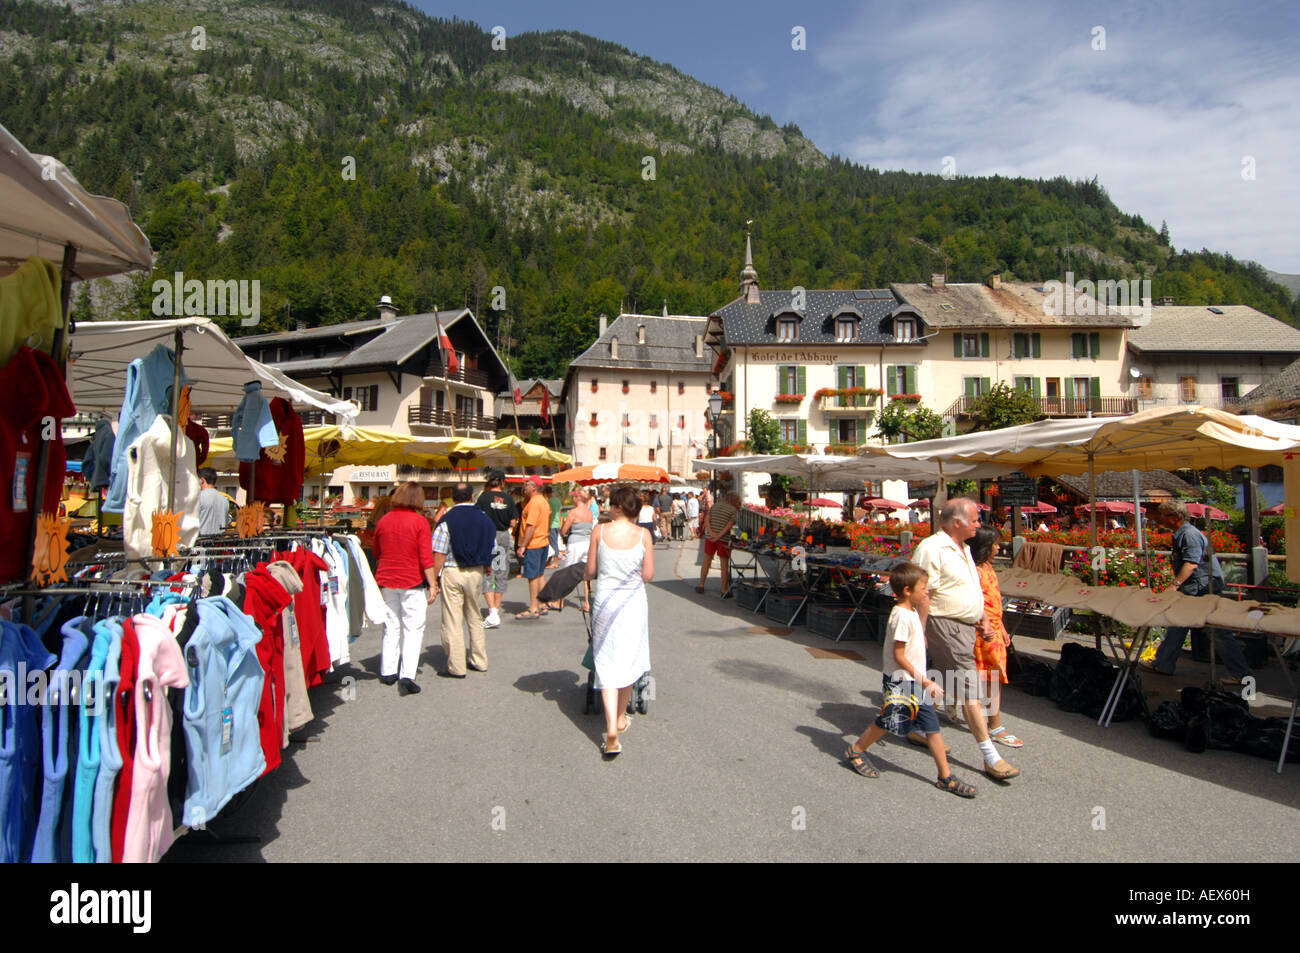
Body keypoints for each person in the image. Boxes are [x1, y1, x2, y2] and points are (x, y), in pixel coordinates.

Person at [841, 562, 976, 798]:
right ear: (907, 590)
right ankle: (856, 749)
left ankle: (945, 777)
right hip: (902, 682)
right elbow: (899, 655)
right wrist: (925, 681)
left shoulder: (910, 612)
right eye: (923, 587)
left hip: (913, 682)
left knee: (932, 726)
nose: (927, 591)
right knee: (888, 721)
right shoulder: (902, 616)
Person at [911, 498, 1020, 781]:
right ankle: (989, 755)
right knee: (970, 688)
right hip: (946, 624)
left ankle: (920, 727)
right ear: (957, 523)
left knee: (945, 678)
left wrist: (982, 619)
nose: (978, 524)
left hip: (966, 625)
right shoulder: (931, 548)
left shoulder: (964, 549)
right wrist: (920, 631)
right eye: (974, 520)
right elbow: (923, 592)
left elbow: (972, 588)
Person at [1143, 499, 1253, 684]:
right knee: (1178, 623)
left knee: (1216, 631)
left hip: (1202, 586)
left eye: (1164, 515)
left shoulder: (1189, 535)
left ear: (1176, 517)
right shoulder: (1182, 533)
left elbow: (1191, 563)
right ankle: (1163, 663)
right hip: (1197, 585)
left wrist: (1174, 584)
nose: (1160, 518)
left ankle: (1242, 673)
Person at [584, 485, 653, 758]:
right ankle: (621, 718)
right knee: (629, 658)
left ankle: (611, 727)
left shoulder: (599, 532)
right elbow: (648, 575)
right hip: (633, 603)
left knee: (607, 658)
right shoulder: (644, 535)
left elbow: (590, 572)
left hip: (605, 603)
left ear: (615, 507)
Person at [372, 482, 438, 695]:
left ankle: (387, 671)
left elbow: (376, 551)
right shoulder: (420, 522)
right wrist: (433, 584)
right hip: (412, 580)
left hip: (387, 579)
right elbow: (426, 558)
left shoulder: (383, 520)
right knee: (413, 628)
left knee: (391, 625)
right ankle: (407, 675)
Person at [431, 483, 496, 678]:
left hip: (453, 570)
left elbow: (439, 552)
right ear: (472, 496)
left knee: (452, 619)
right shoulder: (484, 519)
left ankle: (456, 666)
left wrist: (433, 579)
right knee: (474, 616)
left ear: (453, 496)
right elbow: (491, 546)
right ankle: (479, 659)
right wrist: (486, 565)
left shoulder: (446, 520)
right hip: (476, 571)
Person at [969, 527, 1024, 747]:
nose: (998, 548)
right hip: (981, 630)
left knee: (992, 676)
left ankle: (991, 721)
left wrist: (1001, 626)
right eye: (995, 545)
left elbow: (995, 602)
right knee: (988, 677)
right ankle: (995, 725)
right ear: (984, 547)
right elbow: (975, 603)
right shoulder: (974, 571)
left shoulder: (988, 568)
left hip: (993, 629)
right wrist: (988, 624)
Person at [475, 470, 518, 629]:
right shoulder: (508, 499)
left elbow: (476, 517)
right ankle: (496, 609)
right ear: (502, 482)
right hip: (502, 536)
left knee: (487, 572)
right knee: (501, 571)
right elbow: (513, 523)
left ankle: (491, 610)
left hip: (486, 536)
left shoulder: (483, 497)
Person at [545, 486, 595, 612]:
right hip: (587, 543)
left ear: (577, 498)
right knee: (586, 575)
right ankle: (588, 603)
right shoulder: (589, 513)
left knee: (568, 573)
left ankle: (559, 601)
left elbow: (564, 530)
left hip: (575, 544)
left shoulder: (573, 512)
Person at [516, 476, 551, 619]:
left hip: (534, 543)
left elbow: (531, 526)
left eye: (526, 485)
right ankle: (541, 604)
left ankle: (533, 608)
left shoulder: (535, 502)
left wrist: (523, 545)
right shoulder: (543, 501)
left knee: (532, 576)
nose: (524, 488)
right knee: (540, 574)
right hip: (543, 541)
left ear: (533, 487)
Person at [697, 491, 740, 598]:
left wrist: (711, 533)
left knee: (706, 560)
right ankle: (724, 590)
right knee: (724, 564)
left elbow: (707, 520)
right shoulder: (733, 510)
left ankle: (701, 585)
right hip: (723, 539)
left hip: (710, 538)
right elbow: (729, 526)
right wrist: (719, 536)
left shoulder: (715, 506)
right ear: (734, 500)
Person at [197, 468, 229, 536]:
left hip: (201, 542)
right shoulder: (224, 500)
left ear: (202, 480)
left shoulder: (199, 497)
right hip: (219, 543)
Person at [544, 484, 564, 568]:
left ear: (546, 493)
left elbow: (548, 514)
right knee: (554, 542)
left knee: (553, 543)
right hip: (557, 523)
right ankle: (549, 561)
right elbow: (560, 512)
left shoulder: (548, 502)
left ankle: (555, 561)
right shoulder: (557, 500)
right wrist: (560, 522)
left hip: (551, 524)